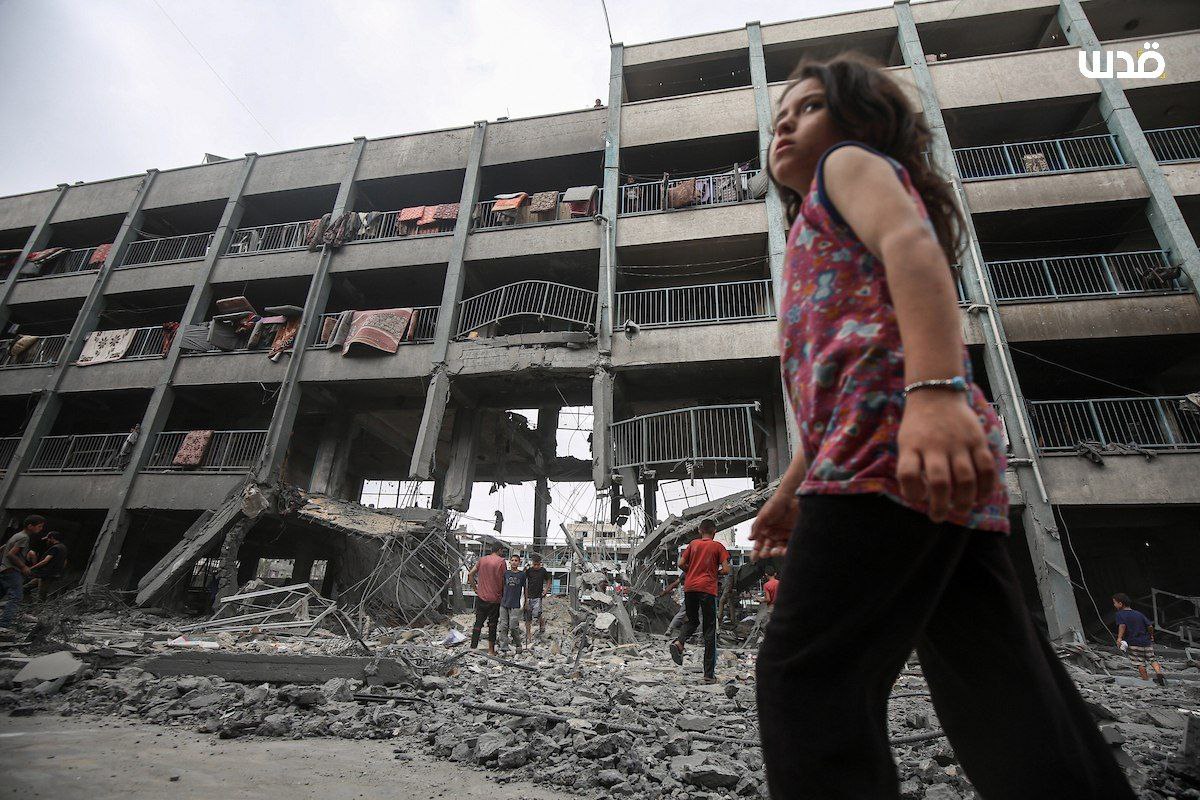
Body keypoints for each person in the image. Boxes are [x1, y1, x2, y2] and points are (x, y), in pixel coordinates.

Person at [749, 54, 1135, 799]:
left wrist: (934, 394)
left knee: (806, 675)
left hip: (894, 443)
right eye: (778, 120)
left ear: (862, 120)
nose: (787, 126)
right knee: (996, 682)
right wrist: (794, 484)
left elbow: (914, 250)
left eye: (807, 109)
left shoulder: (849, 167)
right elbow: (830, 389)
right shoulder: (810, 228)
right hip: (899, 449)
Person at [669, 518, 729, 683]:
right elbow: (726, 569)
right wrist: (712, 572)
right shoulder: (718, 547)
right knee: (709, 630)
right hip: (707, 589)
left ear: (699, 531)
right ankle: (708, 675)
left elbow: (681, 563)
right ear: (714, 531)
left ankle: (680, 643)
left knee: (692, 620)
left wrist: (692, 571)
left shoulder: (693, 544)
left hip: (690, 588)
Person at [1, 515, 44, 630]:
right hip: (12, 571)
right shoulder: (24, 537)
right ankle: (4, 625)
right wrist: (24, 567)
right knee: (16, 597)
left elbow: (3, 549)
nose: (40, 529)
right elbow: (11, 554)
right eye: (39, 526)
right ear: (30, 526)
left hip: (4, 569)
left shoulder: (16, 535)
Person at [1113, 593, 1166, 686]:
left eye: (1115, 603)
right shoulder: (1139, 614)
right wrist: (1151, 635)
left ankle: (1146, 681)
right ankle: (1159, 673)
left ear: (1120, 604)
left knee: (1139, 662)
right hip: (1146, 642)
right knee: (1152, 659)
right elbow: (1150, 626)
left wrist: (1119, 638)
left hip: (1133, 643)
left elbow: (1122, 626)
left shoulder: (1120, 614)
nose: (1114, 605)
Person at [467, 543, 506, 654]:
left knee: (478, 622)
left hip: (481, 596)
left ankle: (473, 647)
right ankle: (491, 650)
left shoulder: (482, 560)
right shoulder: (501, 562)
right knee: (492, 624)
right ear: (499, 550)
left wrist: (475, 589)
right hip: (495, 598)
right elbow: (504, 580)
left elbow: (470, 574)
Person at [26, 530, 67, 602]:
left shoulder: (55, 548)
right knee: (26, 587)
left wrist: (32, 568)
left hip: (47, 574)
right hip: (47, 574)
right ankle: (27, 601)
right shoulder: (63, 548)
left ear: (52, 538)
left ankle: (37, 610)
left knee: (41, 595)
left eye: (48, 538)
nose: (47, 540)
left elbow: (45, 561)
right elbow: (65, 562)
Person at [497, 554, 526, 654]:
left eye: (516, 560)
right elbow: (501, 586)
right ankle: (504, 647)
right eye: (512, 560)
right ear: (510, 562)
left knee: (514, 626)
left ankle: (518, 644)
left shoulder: (522, 575)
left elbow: (525, 588)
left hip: (515, 604)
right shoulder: (506, 573)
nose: (514, 562)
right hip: (504, 603)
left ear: (519, 562)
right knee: (503, 626)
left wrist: (526, 602)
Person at [523, 553, 549, 645]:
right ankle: (528, 635)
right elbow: (522, 577)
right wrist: (524, 569)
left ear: (540, 563)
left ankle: (542, 623)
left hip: (538, 597)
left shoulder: (543, 571)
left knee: (537, 614)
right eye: (535, 564)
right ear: (532, 563)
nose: (536, 566)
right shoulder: (529, 571)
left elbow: (548, 580)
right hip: (529, 596)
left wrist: (546, 590)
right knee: (528, 617)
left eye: (538, 564)